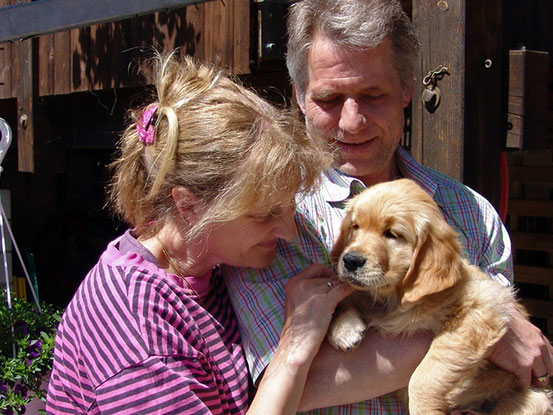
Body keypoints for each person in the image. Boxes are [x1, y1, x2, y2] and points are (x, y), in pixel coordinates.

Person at [224, 0, 553, 413]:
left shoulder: (472, 213)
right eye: (328, 98)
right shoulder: (269, 223)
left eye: (372, 94)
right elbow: (289, 388)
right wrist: (478, 327)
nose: (352, 121)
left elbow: (519, 365)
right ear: (299, 96)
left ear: (406, 89)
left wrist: (489, 330)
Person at [45, 51, 354, 414]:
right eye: (264, 214)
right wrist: (293, 345)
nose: (288, 232)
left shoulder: (207, 269)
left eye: (288, 207)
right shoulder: (135, 327)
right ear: (189, 206)